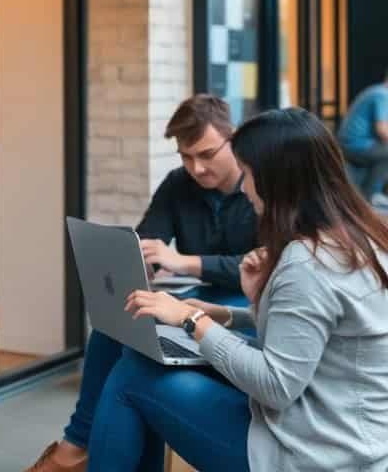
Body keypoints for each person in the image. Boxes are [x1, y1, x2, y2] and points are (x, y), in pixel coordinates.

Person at [87, 107, 388, 471]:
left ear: (275, 180)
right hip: (345, 436)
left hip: (312, 454)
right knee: (140, 360)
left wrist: (192, 318)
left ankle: (77, 450)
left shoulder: (307, 264)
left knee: (132, 377)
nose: (244, 187)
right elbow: (310, 339)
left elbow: (275, 385)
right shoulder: (359, 240)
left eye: (247, 174)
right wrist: (236, 311)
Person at [26, 94, 258, 472]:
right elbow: (148, 235)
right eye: (185, 157)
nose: (196, 167)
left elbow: (265, 265)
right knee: (123, 318)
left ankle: (75, 451)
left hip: (241, 305)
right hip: (195, 296)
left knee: (137, 363)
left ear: (232, 139)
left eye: (206, 153)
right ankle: (79, 442)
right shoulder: (179, 183)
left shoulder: (258, 189)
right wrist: (140, 263)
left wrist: (185, 262)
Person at [337, 69, 388, 203]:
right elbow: (382, 130)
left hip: (352, 143)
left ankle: (369, 194)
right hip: (355, 145)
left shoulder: (375, 91)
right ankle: (371, 195)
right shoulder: (382, 95)